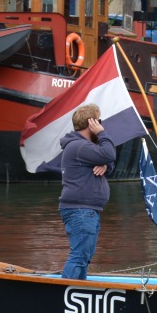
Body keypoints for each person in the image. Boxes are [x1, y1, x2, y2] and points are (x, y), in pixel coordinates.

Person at [57, 103, 117, 280]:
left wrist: (105, 165)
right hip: (80, 210)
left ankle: (78, 288)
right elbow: (109, 153)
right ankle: (63, 291)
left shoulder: (83, 147)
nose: (101, 125)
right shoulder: (80, 146)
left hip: (86, 210)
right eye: (98, 122)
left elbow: (109, 159)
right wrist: (101, 133)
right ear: (92, 123)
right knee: (79, 256)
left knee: (84, 257)